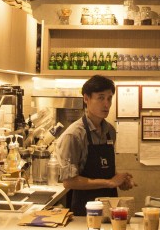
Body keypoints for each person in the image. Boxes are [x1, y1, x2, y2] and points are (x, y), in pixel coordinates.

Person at [52, 74, 135, 215]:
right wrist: (110, 182)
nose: (107, 104)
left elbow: (103, 169)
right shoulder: (74, 135)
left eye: (109, 98)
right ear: (86, 98)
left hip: (110, 207)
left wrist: (118, 180)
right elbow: (69, 182)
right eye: (101, 97)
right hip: (85, 211)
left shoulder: (110, 131)